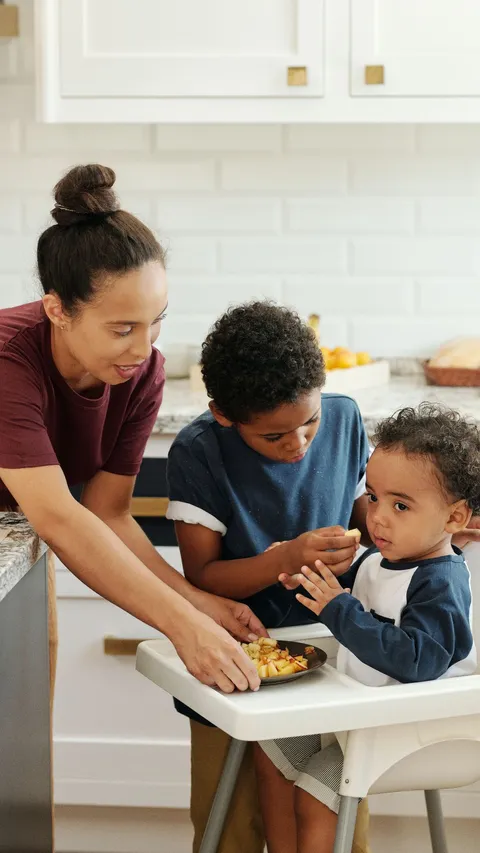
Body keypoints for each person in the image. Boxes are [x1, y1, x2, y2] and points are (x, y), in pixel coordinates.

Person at [0, 165, 267, 764]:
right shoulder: (7, 362)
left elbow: (107, 512)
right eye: (122, 328)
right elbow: (60, 520)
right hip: (31, 530)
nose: (145, 349)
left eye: (155, 322)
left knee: (16, 750)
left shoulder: (138, 369)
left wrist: (193, 602)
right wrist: (181, 624)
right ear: (57, 310)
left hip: (18, 544)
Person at [166, 302, 372, 853]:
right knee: (230, 821)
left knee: (335, 819)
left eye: (310, 422)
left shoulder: (346, 418)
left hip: (333, 656)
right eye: (274, 437)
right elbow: (202, 576)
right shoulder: (198, 450)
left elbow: (372, 529)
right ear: (225, 415)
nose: (299, 444)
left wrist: (362, 550)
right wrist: (283, 559)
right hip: (232, 659)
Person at [255, 403, 479, 853]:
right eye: (373, 497)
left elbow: (418, 660)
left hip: (418, 731)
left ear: (454, 519)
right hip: (364, 717)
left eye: (401, 505)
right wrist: (305, 578)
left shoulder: (441, 582)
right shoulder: (380, 560)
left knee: (316, 793)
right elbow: (354, 603)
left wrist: (337, 608)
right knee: (271, 747)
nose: (377, 517)